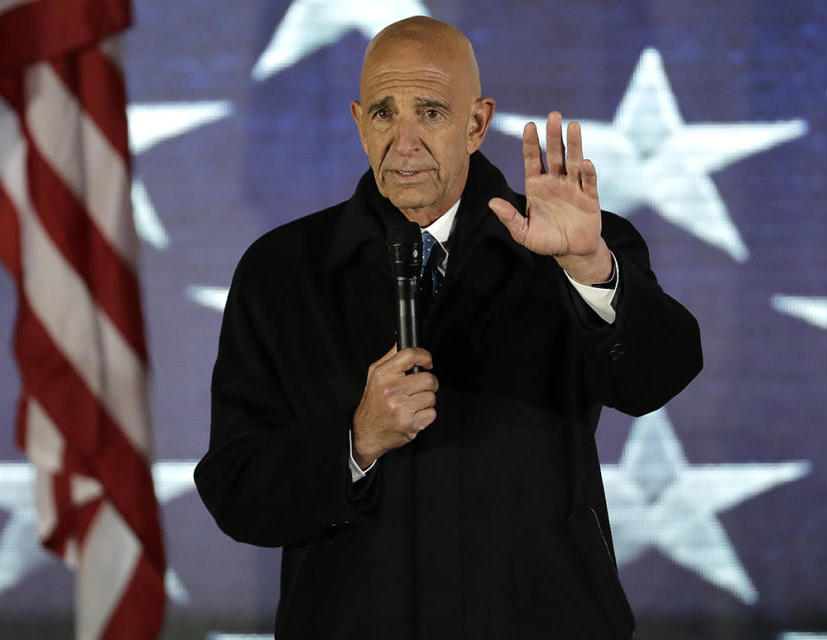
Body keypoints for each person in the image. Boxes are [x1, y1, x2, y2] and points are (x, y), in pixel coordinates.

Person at [195, 16, 701, 640]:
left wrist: (589, 266)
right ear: (358, 122)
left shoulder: (571, 242)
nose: (403, 142)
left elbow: (657, 378)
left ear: (477, 123)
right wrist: (356, 441)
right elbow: (237, 492)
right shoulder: (281, 270)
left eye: (430, 112)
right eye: (384, 112)